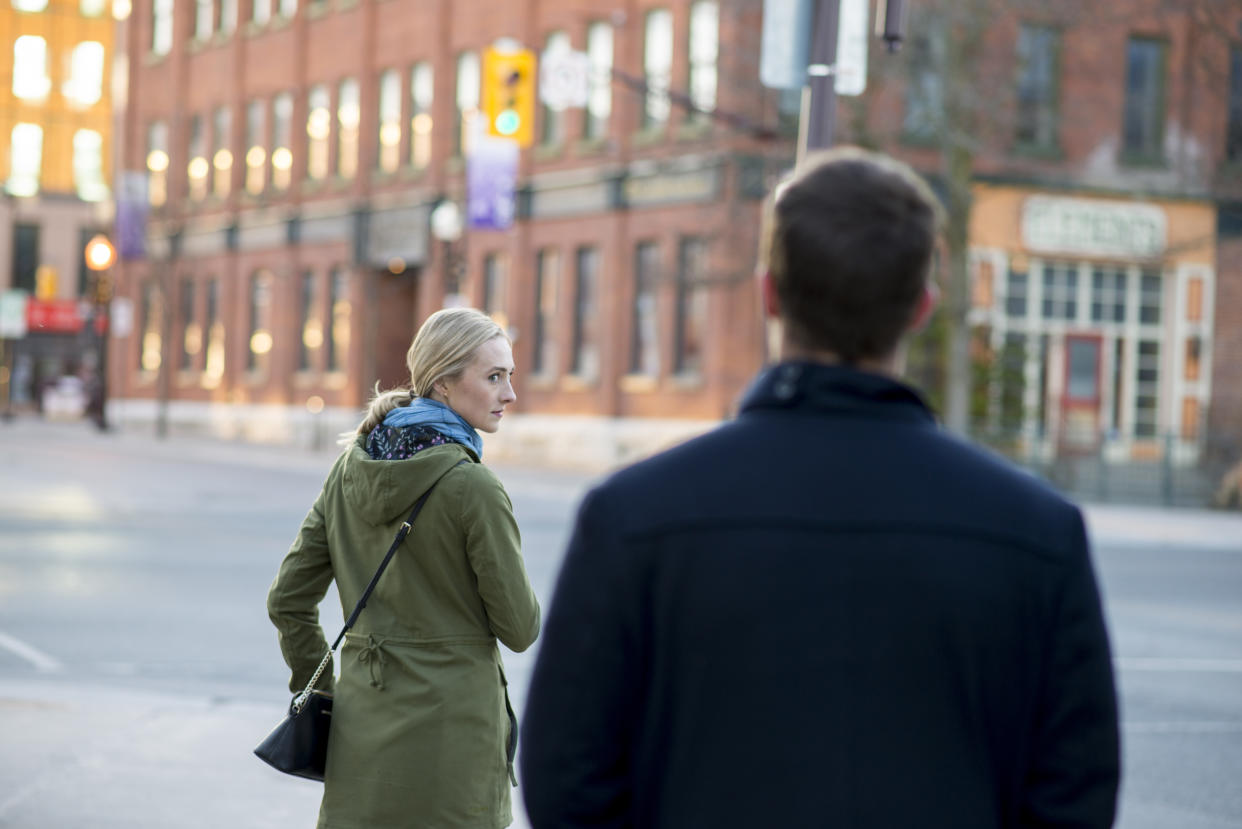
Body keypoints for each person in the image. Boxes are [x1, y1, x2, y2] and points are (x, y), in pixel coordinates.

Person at [520, 148, 1120, 828]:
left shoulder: (633, 518)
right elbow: (1074, 795)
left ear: (769, 294)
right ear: (921, 306)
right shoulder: (1039, 534)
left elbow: (565, 784)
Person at [267, 307, 540, 829]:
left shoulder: (350, 468)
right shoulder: (475, 488)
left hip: (360, 741)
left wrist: (320, 688)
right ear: (442, 382)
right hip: (453, 758)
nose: (510, 394)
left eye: (510, 376)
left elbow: (288, 600)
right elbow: (521, 629)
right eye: (494, 377)